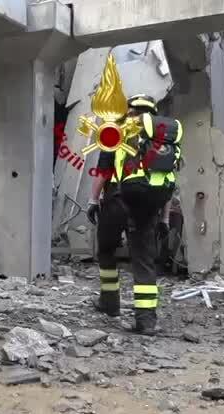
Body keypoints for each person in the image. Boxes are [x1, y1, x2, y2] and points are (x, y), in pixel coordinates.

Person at [86, 94, 183, 335]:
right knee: (143, 261)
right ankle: (146, 321)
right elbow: (168, 182)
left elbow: (103, 172)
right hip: (149, 206)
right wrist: (164, 218)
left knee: (106, 250)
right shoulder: (164, 139)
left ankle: (110, 304)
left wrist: (92, 200)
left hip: (118, 201)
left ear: (130, 111)